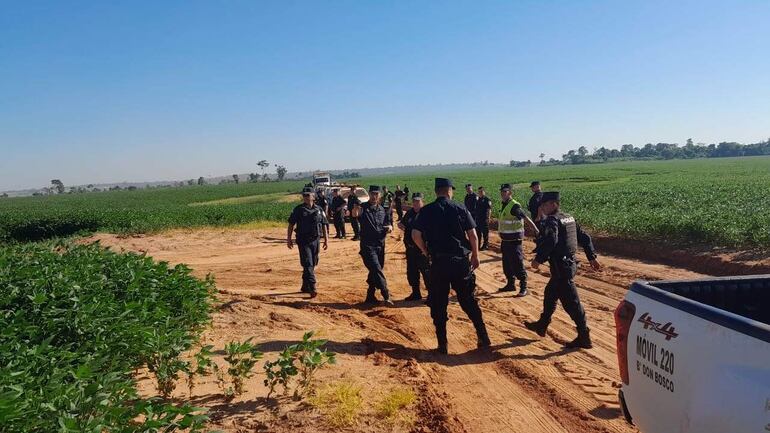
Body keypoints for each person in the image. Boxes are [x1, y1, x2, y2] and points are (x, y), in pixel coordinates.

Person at [412, 178, 490, 354]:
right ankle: (483, 336)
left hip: (438, 263)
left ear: (436, 192)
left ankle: (442, 344)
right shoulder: (460, 208)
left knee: (439, 303)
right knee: (468, 300)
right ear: (449, 191)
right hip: (459, 262)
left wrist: (425, 251)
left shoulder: (426, 210)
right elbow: (473, 235)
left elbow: (415, 234)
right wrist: (475, 256)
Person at [524, 191, 602, 349]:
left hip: (561, 267)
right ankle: (542, 324)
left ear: (554, 204)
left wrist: (538, 259)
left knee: (572, 304)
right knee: (550, 294)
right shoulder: (569, 217)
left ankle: (584, 336)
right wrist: (591, 256)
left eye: (545, 205)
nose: (543, 208)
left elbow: (551, 240)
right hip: (568, 264)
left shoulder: (553, 220)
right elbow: (584, 237)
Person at [353, 185, 394, 305]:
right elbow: (355, 214)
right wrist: (355, 208)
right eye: (372, 194)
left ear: (379, 195)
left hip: (380, 245)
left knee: (375, 270)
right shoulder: (363, 207)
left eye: (376, 194)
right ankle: (386, 294)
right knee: (376, 268)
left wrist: (390, 227)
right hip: (368, 245)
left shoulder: (382, 209)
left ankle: (370, 296)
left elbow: (388, 223)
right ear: (369, 195)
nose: (374, 196)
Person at [287, 187, 329, 298]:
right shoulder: (298, 209)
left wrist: (326, 240)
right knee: (308, 263)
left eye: (308, 195)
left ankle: (305, 285)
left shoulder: (319, 209)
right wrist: (289, 239)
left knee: (313, 262)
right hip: (303, 240)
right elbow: (291, 224)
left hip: (315, 240)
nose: (305, 197)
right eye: (304, 195)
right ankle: (312, 286)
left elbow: (324, 224)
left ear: (313, 196)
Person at [497, 183, 538, 297]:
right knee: (507, 264)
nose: (502, 193)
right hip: (505, 241)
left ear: (510, 192)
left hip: (515, 241)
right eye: (501, 191)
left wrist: (535, 229)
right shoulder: (504, 204)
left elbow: (526, 218)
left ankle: (524, 287)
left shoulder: (514, 206)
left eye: (505, 191)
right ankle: (510, 284)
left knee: (517, 264)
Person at [397, 192, 430, 302]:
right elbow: (402, 223)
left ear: (422, 201)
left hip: (422, 250)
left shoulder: (426, 214)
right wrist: (402, 226)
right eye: (414, 201)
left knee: (427, 273)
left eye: (418, 201)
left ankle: (431, 295)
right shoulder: (410, 213)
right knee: (412, 272)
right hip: (410, 249)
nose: (416, 203)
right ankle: (416, 293)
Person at [475, 186, 492, 250]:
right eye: (479, 192)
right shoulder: (478, 199)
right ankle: (478, 245)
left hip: (484, 219)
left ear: (484, 192)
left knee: (485, 233)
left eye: (481, 191)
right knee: (478, 233)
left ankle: (485, 245)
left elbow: (489, 209)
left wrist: (488, 218)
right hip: (478, 219)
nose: (480, 193)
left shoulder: (487, 199)